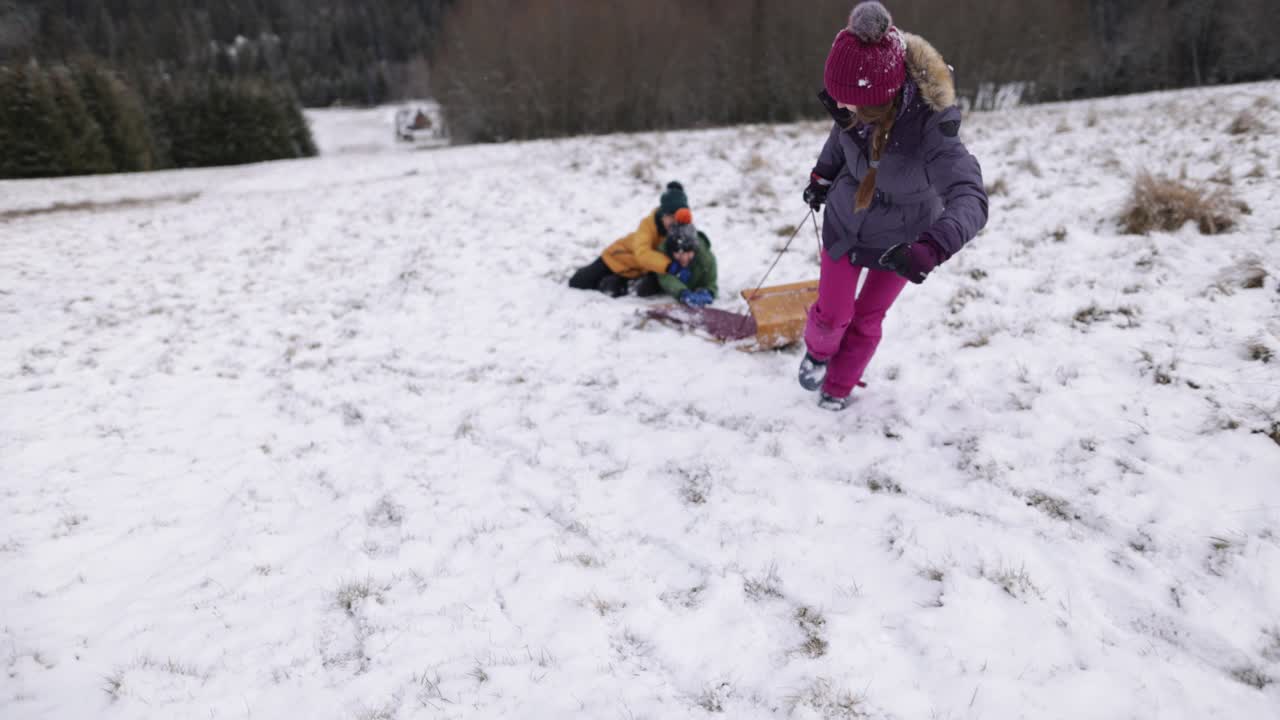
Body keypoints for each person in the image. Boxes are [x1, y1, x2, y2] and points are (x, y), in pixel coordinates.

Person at [799, 1, 988, 411]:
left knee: (867, 318)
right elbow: (841, 138)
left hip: (903, 239)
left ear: (880, 97)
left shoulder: (933, 125)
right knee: (833, 315)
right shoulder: (854, 108)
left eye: (848, 103)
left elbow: (970, 196)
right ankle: (817, 353)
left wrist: (933, 246)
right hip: (846, 221)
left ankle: (838, 386)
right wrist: (822, 177)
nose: (841, 109)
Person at [569, 181, 718, 306]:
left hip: (647, 270)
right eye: (670, 216)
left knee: (645, 288)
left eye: (677, 216)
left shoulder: (682, 230)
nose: (674, 221)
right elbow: (642, 253)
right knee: (578, 282)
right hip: (620, 259)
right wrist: (670, 266)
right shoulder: (648, 226)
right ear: (662, 215)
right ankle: (610, 282)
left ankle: (622, 284)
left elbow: (696, 248)